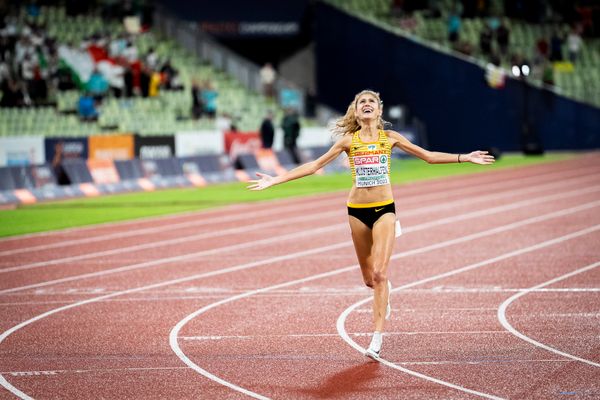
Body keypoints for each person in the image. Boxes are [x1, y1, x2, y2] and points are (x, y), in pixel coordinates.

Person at [247, 90, 495, 359]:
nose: (366, 105)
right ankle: (384, 290)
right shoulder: (347, 142)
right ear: (355, 112)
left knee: (379, 274)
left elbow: (429, 156)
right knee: (368, 280)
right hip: (356, 211)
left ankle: (376, 338)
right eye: (361, 102)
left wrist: (465, 157)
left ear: (379, 112)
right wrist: (275, 180)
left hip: (385, 210)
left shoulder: (390, 138)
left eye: (371, 102)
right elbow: (313, 165)